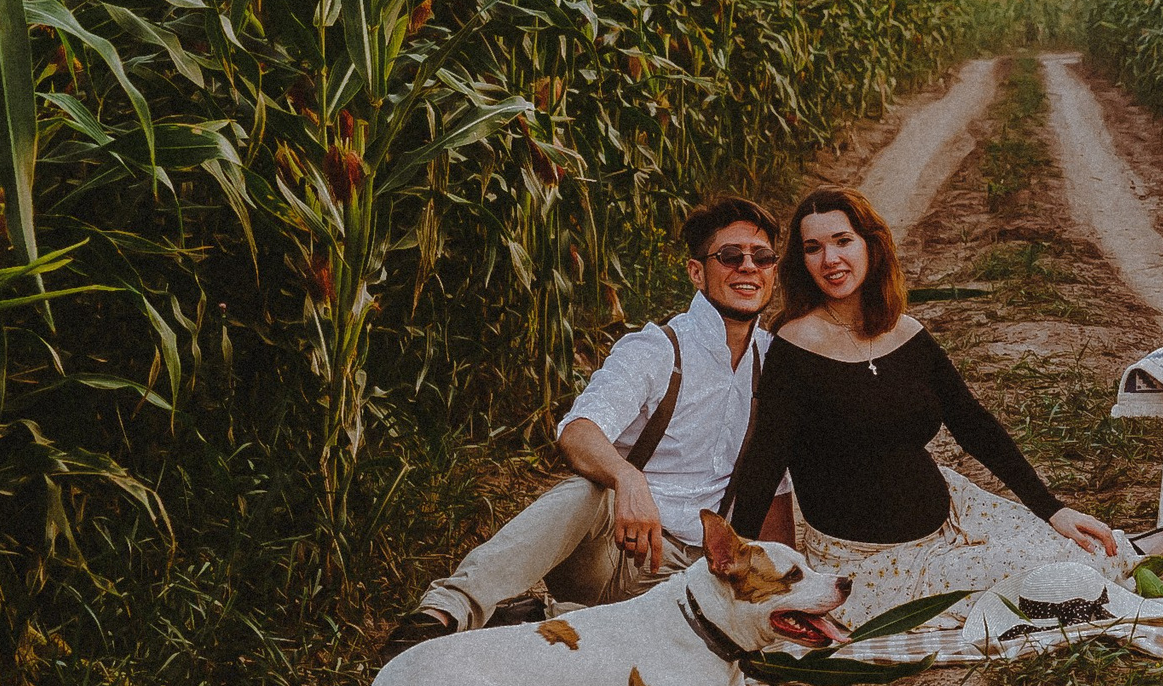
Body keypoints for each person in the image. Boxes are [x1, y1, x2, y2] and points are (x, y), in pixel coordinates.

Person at [384, 197, 792, 653]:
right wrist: (627, 476)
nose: (748, 268)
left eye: (762, 257)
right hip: (624, 552)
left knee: (678, 648)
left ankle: (535, 621)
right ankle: (441, 615)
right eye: (731, 257)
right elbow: (578, 429)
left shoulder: (774, 360)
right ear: (697, 272)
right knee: (586, 492)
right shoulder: (657, 350)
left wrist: (784, 587)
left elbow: (775, 486)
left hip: (697, 576)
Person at [721, 185, 1124, 625]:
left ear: (870, 245)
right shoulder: (794, 347)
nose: (830, 260)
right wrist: (733, 569)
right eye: (813, 248)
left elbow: (973, 425)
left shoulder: (906, 333)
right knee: (1065, 582)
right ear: (801, 262)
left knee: (1093, 555)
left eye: (842, 240)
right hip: (880, 566)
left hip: (958, 515)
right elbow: (765, 460)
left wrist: (1052, 507)